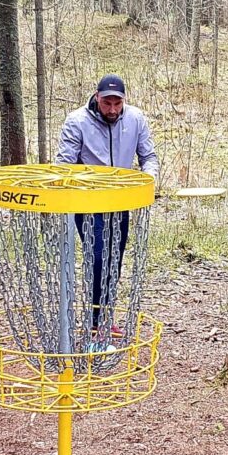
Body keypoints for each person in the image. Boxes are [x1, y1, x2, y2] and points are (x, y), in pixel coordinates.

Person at [55, 74, 158, 331]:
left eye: (117, 104)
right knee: (98, 257)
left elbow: (149, 157)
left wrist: (148, 180)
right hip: (89, 202)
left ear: (124, 101)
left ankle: (106, 318)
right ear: (96, 97)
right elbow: (64, 164)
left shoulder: (135, 119)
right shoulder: (77, 121)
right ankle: (94, 322)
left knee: (115, 258)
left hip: (120, 200)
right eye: (107, 103)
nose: (112, 109)